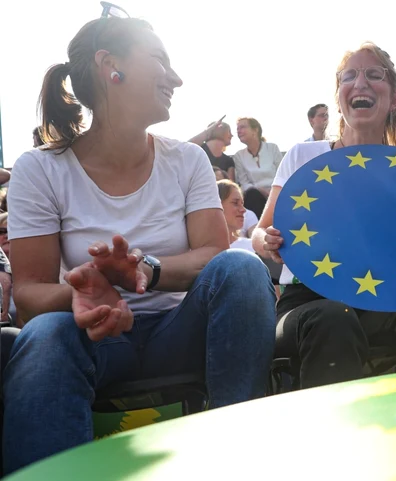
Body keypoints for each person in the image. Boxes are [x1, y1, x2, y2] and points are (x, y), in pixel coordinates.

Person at [2, 9, 276, 473]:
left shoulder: (187, 159)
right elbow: (27, 295)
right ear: (112, 66)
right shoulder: (39, 168)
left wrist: (147, 270)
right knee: (46, 332)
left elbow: (215, 255)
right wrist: (88, 294)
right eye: (161, 60)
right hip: (96, 341)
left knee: (244, 269)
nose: (177, 79)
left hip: (180, 331)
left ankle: (241, 463)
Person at [252, 42, 396, 390]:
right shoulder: (302, 155)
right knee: (333, 318)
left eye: (374, 75)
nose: (360, 84)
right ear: (339, 97)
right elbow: (259, 232)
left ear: (393, 99)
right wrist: (264, 240)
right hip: (310, 302)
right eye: (349, 77)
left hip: (390, 297)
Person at [233, 117, 283, 218]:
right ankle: (258, 229)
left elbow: (282, 173)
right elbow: (244, 183)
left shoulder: (272, 148)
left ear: (255, 130)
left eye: (242, 127)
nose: (238, 131)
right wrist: (261, 190)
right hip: (255, 196)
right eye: (237, 129)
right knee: (252, 194)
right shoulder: (239, 156)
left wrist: (272, 192)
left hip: (277, 193)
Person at [217, 180, 255, 253]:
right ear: (218, 205)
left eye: (242, 204)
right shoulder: (199, 254)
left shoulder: (252, 247)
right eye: (235, 203)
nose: (243, 210)